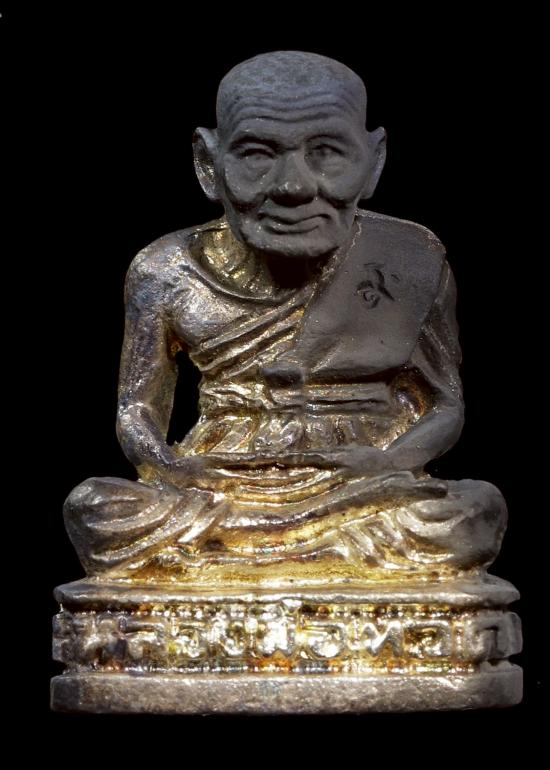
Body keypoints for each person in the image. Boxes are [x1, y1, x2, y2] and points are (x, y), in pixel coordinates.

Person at [64, 51, 507, 583]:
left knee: (471, 513)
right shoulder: (167, 269)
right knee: (95, 507)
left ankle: (247, 559)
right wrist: (172, 466)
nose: (293, 187)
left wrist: (387, 463)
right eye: (257, 154)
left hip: (360, 484)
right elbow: (138, 408)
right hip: (221, 483)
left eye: (327, 153)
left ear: (373, 161)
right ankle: (308, 557)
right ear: (208, 163)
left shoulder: (408, 259)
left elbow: (445, 405)